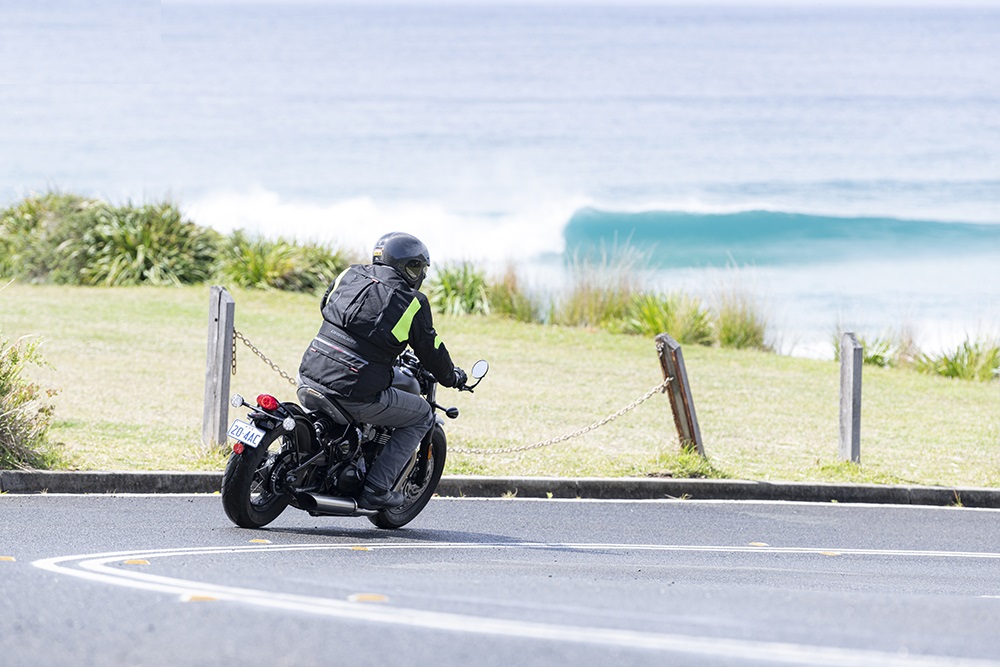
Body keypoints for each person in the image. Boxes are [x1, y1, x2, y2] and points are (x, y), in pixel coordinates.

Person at [298, 232, 466, 510]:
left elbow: (326, 305)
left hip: (309, 371)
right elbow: (431, 348)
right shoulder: (413, 302)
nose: (418, 274)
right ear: (404, 267)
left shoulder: (349, 274)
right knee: (422, 415)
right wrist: (452, 376)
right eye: (416, 267)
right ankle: (376, 489)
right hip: (355, 390)